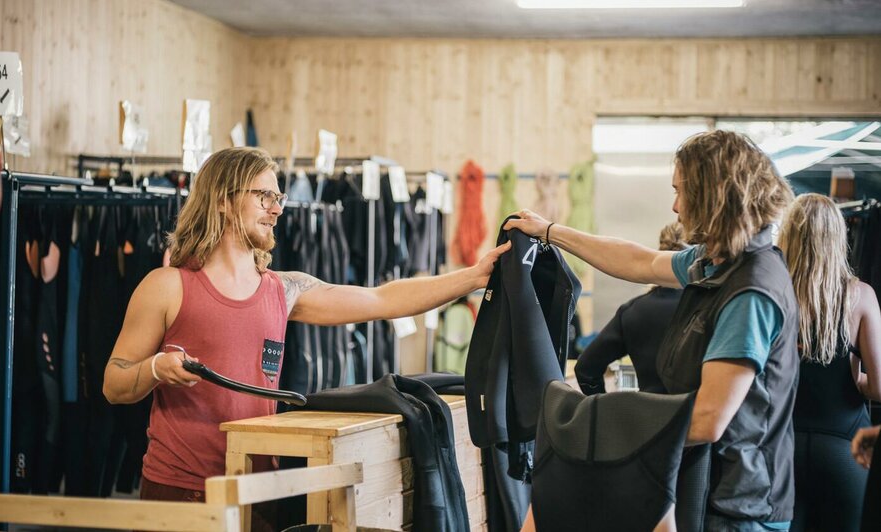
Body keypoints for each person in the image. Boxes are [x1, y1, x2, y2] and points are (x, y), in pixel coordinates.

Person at [100, 147, 509, 530]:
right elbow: (114, 383)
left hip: (262, 491)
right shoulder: (168, 287)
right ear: (222, 199)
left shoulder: (284, 290)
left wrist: (473, 276)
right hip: (182, 491)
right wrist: (156, 368)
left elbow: (382, 299)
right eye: (264, 197)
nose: (277, 209)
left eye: (278, 198)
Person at [508, 129, 798, 530]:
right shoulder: (717, 262)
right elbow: (639, 261)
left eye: (682, 192)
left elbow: (708, 418)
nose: (676, 206)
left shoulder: (750, 291)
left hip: (737, 509)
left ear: (712, 195)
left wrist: (598, 425)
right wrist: (550, 232)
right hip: (703, 487)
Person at [778, 193, 881, 531]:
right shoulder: (860, 296)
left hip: (782, 448)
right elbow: (879, 387)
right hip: (845, 448)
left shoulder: (771, 294)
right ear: (838, 237)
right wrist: (857, 380)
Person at [574, 221, 688, 395]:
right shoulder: (707, 306)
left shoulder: (633, 311)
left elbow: (585, 369)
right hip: (700, 417)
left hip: (648, 418)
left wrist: (605, 413)